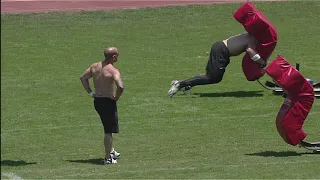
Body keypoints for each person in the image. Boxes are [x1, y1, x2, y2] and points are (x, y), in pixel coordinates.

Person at [168, 33, 266, 97]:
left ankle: (187, 85)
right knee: (213, 78)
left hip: (221, 49)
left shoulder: (247, 35)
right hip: (222, 51)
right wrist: (262, 62)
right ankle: (180, 84)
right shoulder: (252, 39)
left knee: (211, 76)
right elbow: (251, 52)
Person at [80, 47, 124, 164]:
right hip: (108, 102)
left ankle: (112, 151)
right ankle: (107, 157)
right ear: (114, 57)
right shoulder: (113, 71)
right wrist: (117, 97)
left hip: (98, 101)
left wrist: (91, 92)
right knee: (108, 131)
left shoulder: (95, 66)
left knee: (107, 125)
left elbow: (83, 78)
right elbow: (120, 86)